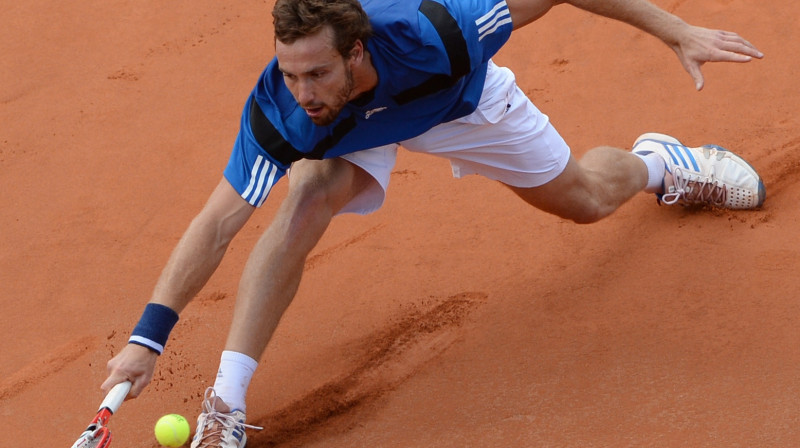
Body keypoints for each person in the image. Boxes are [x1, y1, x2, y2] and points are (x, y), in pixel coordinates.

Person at [101, 0, 765, 446]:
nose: (303, 90)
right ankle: (228, 404)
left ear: (358, 53)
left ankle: (660, 164)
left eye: (318, 73)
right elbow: (219, 221)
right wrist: (147, 339)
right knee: (304, 195)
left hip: (457, 105)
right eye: (290, 72)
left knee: (586, 200)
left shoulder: (441, 31)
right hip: (354, 128)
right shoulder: (291, 108)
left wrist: (674, 30)